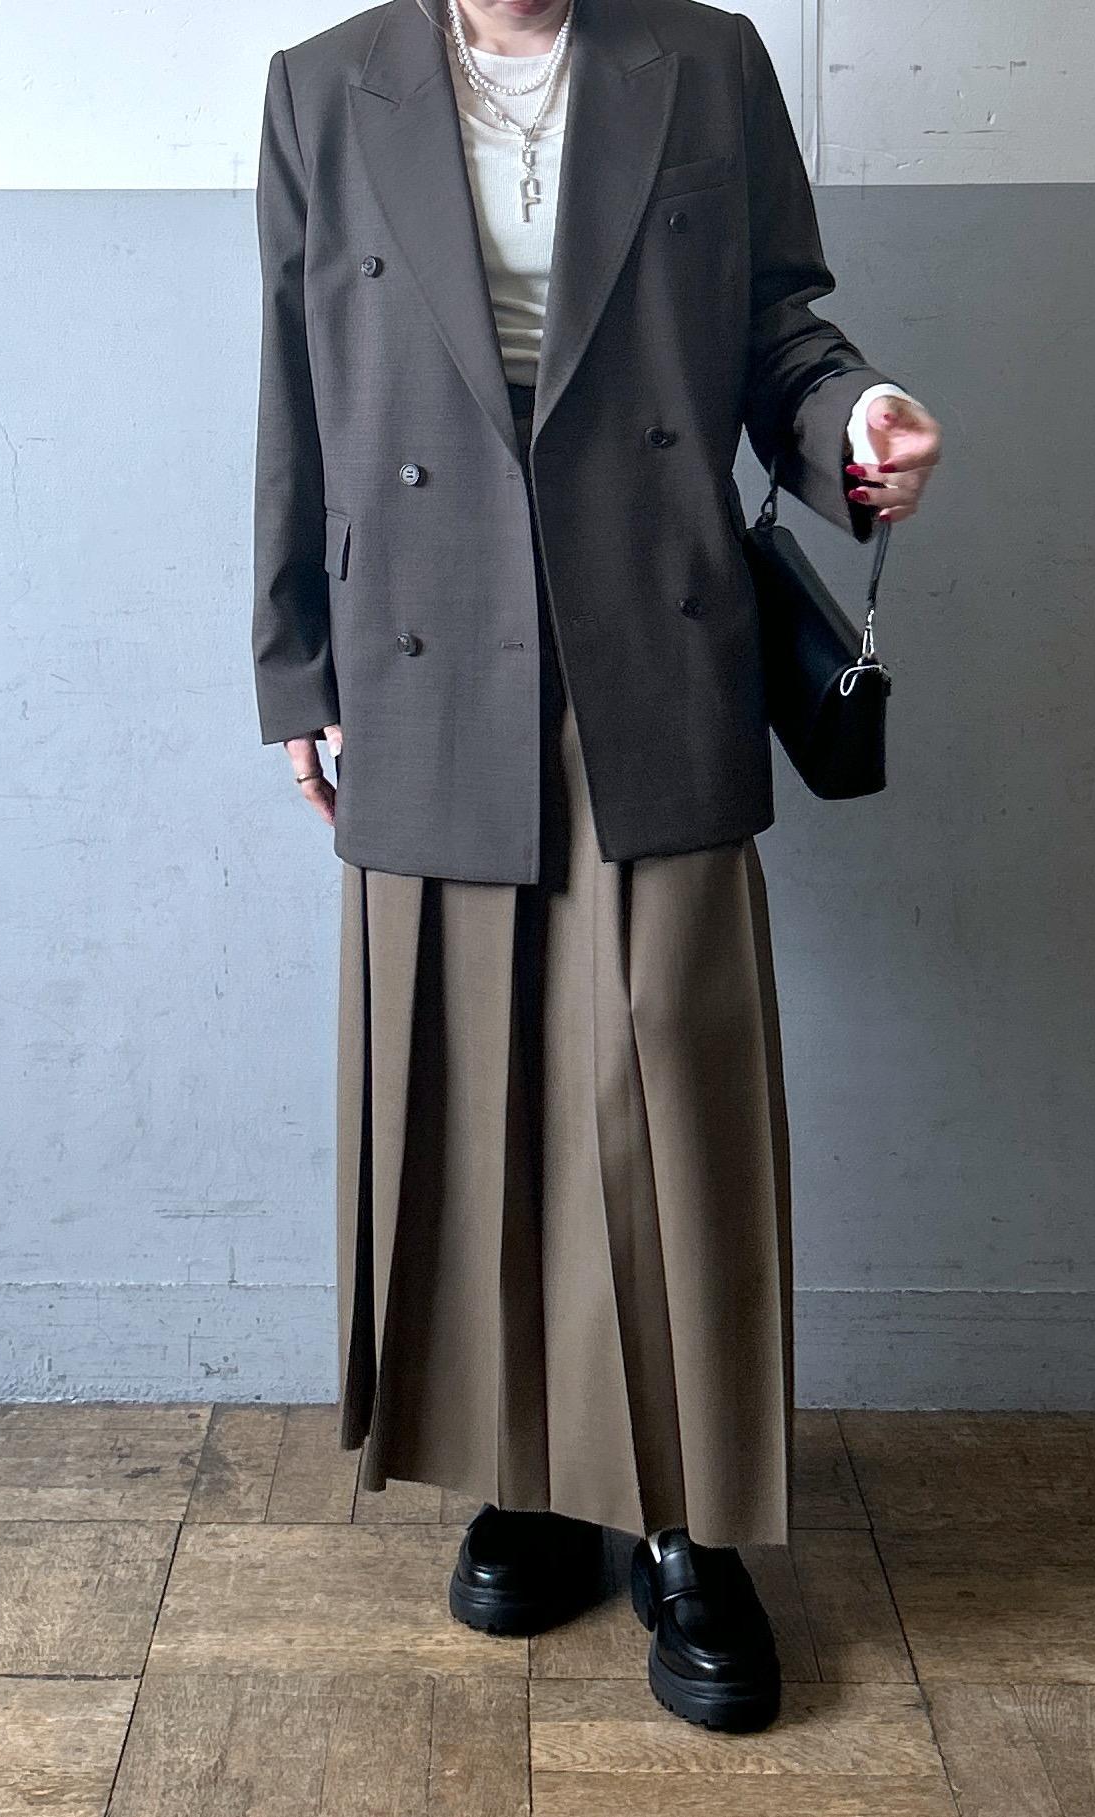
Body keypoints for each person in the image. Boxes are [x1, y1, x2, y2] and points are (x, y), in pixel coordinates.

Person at [251, 0, 942, 1733]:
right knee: (470, 1082)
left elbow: (780, 330)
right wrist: (293, 665)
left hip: (654, 617)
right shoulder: (322, 88)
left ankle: (690, 1519)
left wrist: (855, 415)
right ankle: (527, 1472)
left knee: (666, 1095)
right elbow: (293, 384)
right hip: (422, 637)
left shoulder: (703, 60)